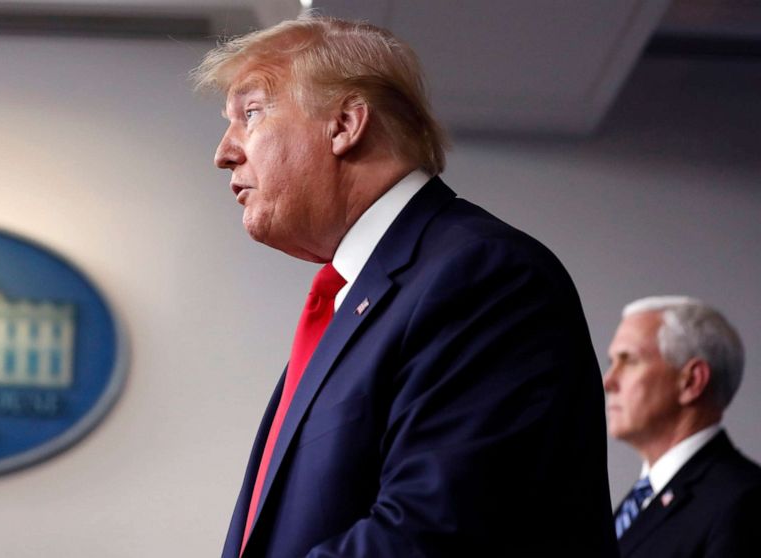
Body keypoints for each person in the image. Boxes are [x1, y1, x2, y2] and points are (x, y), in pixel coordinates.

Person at [194, 14, 617, 557]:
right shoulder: (365, 294)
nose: (224, 151)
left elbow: (434, 533)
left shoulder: (485, 275)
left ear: (345, 124)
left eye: (250, 113)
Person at [604, 296, 761, 557]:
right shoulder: (643, 499)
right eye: (612, 362)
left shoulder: (744, 502)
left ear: (691, 381)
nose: (609, 381)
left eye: (629, 360)